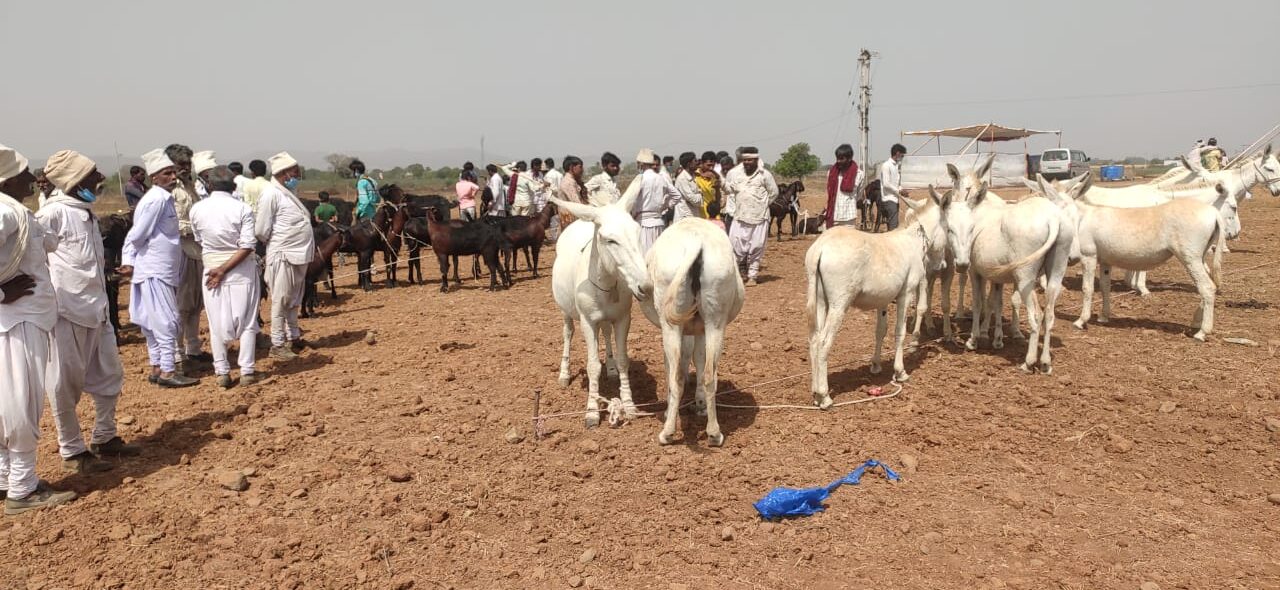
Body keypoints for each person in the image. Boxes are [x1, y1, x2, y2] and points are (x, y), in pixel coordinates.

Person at [37, 150, 138, 473]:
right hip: (67, 313)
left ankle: (105, 436)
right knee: (63, 385)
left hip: (97, 309)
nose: (99, 179)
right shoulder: (52, 215)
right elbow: (32, 258)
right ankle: (72, 451)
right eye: (92, 174)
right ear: (73, 180)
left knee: (110, 374)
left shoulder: (87, 212)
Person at [1, 143, 80, 514]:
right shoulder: (5, 212)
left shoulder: (17, 211)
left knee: (11, 402)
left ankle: (6, 479)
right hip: (18, 320)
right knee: (22, 402)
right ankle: (23, 488)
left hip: (24, 317)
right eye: (23, 174)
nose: (31, 178)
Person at [121, 149, 198, 388]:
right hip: (156, 269)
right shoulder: (157, 199)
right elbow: (138, 235)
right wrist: (130, 257)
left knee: (152, 321)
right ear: (154, 177)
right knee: (167, 321)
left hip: (155, 269)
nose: (173, 176)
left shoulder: (160, 198)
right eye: (167, 173)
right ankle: (167, 370)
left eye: (173, 172)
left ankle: (157, 366)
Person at [190, 166, 260, 388]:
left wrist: (218, 268)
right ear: (233, 185)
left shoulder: (197, 209)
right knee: (248, 321)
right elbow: (248, 245)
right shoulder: (243, 209)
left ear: (208, 186)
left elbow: (199, 239)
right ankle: (247, 371)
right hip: (240, 269)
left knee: (214, 321)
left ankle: (222, 372)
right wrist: (225, 268)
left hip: (211, 268)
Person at [255, 152, 315, 361]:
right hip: (282, 254)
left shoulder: (289, 192)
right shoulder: (271, 194)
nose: (298, 175)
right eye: (295, 172)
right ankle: (277, 343)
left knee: (293, 299)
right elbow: (262, 229)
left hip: (298, 254)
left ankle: (294, 336)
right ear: (283, 173)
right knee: (280, 299)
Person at [167, 144, 210, 370]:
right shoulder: (169, 190)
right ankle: (177, 354)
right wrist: (194, 228)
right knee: (180, 306)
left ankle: (194, 349)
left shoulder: (190, 186)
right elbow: (171, 222)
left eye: (187, 164)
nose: (185, 168)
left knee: (195, 304)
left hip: (196, 250)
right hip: (179, 251)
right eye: (180, 165)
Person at [725, 147, 777, 286]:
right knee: (736, 246)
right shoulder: (736, 174)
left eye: (749, 160)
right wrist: (720, 183)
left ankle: (753, 275)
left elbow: (774, 193)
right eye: (745, 160)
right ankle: (738, 275)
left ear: (756, 160)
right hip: (740, 216)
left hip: (759, 218)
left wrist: (762, 204)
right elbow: (729, 189)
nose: (747, 162)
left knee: (757, 246)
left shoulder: (765, 175)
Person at [632, 149, 682, 253]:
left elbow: (632, 200)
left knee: (644, 256)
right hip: (658, 221)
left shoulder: (640, 178)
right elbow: (677, 196)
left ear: (641, 163)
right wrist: (665, 206)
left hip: (643, 223)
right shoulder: (661, 178)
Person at [825, 143, 864, 228]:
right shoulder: (831, 174)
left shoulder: (859, 174)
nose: (838, 161)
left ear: (849, 159)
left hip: (849, 218)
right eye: (837, 158)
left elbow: (859, 195)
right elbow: (828, 194)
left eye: (841, 159)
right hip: (833, 217)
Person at [877, 144, 907, 231]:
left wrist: (901, 189)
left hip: (895, 199)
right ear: (897, 153)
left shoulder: (896, 166)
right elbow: (886, 184)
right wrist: (899, 191)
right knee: (893, 227)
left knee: (893, 225)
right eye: (902, 155)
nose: (902, 157)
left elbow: (896, 183)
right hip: (889, 200)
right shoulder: (886, 166)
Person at [672, 151, 706, 223]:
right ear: (689, 164)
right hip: (685, 218)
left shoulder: (693, 176)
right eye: (695, 161)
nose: (697, 163)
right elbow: (693, 199)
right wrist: (701, 195)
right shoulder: (682, 179)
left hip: (693, 216)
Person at [695, 151, 721, 218]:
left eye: (713, 165)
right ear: (702, 163)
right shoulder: (695, 175)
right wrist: (702, 175)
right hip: (700, 214)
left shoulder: (715, 177)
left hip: (713, 214)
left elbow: (718, 199)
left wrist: (717, 188)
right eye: (708, 165)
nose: (711, 168)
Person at [718, 155, 737, 230]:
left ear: (733, 166)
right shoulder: (718, 177)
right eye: (724, 169)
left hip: (734, 213)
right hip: (721, 211)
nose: (726, 171)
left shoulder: (739, 177)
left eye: (728, 169)